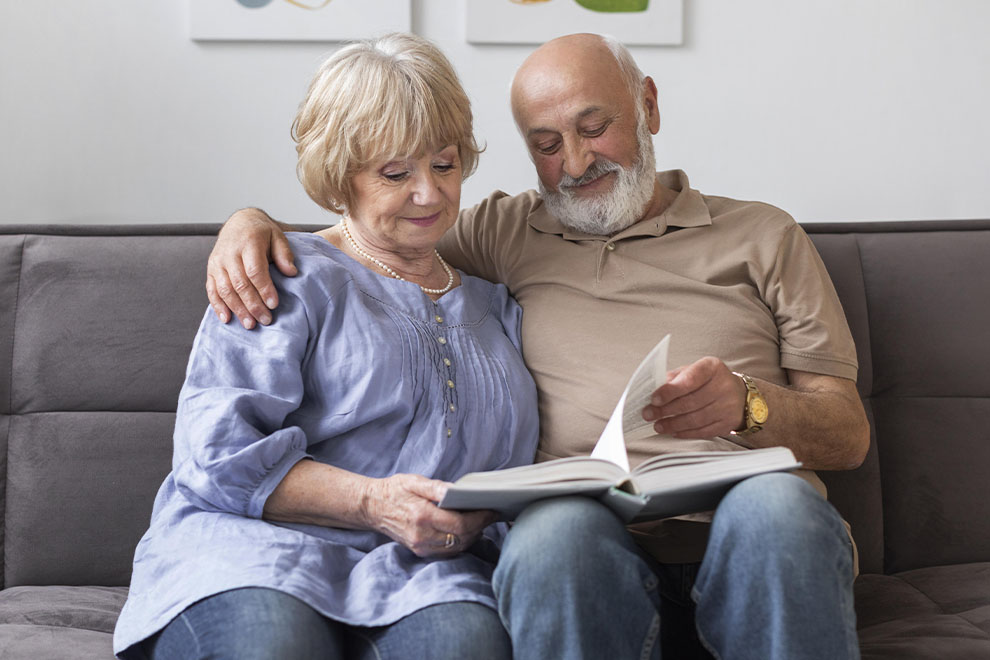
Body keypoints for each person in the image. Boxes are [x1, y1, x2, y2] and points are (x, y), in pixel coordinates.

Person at [207, 33, 870, 660]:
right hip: (588, 530)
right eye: (547, 143)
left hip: (750, 524)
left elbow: (847, 436)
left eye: (593, 127)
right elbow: (375, 230)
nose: (576, 163)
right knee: (555, 534)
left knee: (778, 506)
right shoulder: (504, 230)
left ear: (648, 107)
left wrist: (749, 406)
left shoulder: (764, 236)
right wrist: (254, 224)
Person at [112, 33, 539, 660]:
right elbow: (217, 454)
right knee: (274, 646)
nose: (430, 193)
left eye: (444, 164)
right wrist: (373, 501)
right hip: (255, 551)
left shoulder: (497, 305)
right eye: (396, 172)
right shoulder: (281, 271)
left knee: (466, 646)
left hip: (416, 572)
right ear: (341, 177)